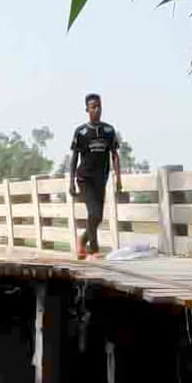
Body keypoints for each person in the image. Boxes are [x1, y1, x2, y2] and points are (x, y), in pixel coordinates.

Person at [68, 93, 123, 259]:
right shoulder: (81, 132)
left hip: (101, 179)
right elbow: (74, 158)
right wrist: (71, 182)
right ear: (87, 109)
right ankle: (94, 249)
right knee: (95, 213)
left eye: (99, 106)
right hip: (85, 179)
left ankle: (82, 241)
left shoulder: (109, 130)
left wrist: (118, 179)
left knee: (97, 217)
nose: (97, 109)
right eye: (93, 107)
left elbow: (114, 155)